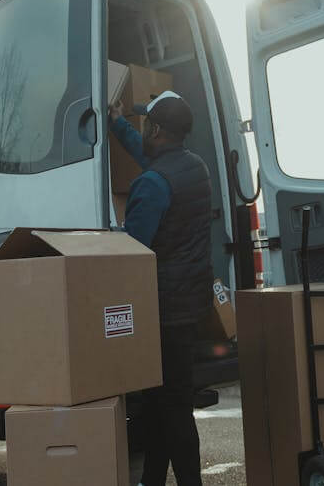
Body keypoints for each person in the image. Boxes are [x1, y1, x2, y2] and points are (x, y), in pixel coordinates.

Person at [109, 90, 211, 486]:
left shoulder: (152, 184)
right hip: (190, 306)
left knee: (171, 409)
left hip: (162, 311)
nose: (143, 131)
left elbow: (132, 249)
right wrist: (118, 122)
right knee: (163, 407)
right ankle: (152, 480)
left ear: (156, 128)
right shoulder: (194, 167)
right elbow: (152, 160)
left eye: (145, 124)